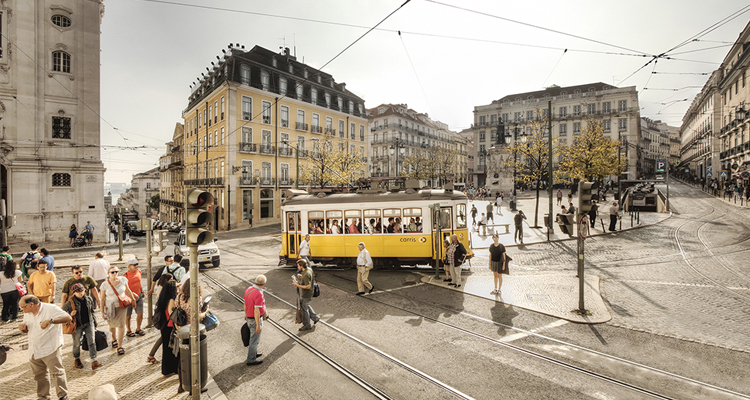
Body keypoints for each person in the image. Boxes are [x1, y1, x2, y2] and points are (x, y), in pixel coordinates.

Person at [17, 294, 72, 400]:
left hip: (50, 347)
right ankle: (43, 397)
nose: (21, 309)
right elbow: (27, 329)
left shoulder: (51, 308)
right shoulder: (27, 313)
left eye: (22, 307)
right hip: (34, 349)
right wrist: (23, 329)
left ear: (31, 304)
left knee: (57, 372)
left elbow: (68, 318)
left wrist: (51, 321)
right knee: (39, 376)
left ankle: (63, 395)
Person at [61, 283, 102, 370]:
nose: (81, 293)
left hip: (89, 323)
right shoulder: (70, 303)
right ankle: (77, 358)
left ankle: (94, 361)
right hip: (77, 326)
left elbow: (92, 312)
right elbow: (61, 313)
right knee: (77, 343)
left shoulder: (89, 299)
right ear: (74, 293)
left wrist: (95, 323)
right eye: (78, 291)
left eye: (82, 290)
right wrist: (70, 314)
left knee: (92, 342)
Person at [101, 266, 137, 355]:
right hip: (109, 308)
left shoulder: (123, 280)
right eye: (112, 272)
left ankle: (120, 346)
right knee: (112, 325)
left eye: (116, 272)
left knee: (121, 325)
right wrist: (102, 312)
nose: (115, 274)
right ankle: (114, 339)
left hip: (121, 306)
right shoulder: (104, 284)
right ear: (108, 274)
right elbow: (102, 299)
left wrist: (133, 300)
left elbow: (128, 291)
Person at [155, 279, 179, 376]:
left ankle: (166, 369)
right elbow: (172, 314)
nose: (178, 288)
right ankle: (171, 369)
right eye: (177, 287)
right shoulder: (172, 300)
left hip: (164, 326)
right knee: (171, 349)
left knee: (166, 348)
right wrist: (177, 327)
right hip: (169, 326)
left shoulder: (163, 298)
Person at [244, 274, 267, 366]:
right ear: (264, 284)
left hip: (249, 318)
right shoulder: (259, 293)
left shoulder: (249, 289)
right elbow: (256, 310)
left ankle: (254, 353)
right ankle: (251, 359)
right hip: (254, 320)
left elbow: (245, 303)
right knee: (254, 340)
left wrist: (245, 314)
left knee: (253, 338)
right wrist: (258, 325)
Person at [293, 259, 319, 331]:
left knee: (305, 310)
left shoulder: (306, 274)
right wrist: (301, 276)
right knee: (306, 305)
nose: (297, 267)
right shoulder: (309, 270)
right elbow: (309, 278)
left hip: (306, 294)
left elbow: (308, 286)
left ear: (301, 266)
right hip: (309, 293)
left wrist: (298, 286)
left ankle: (307, 325)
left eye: (298, 266)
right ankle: (315, 317)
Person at [124, 259, 145, 337]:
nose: (136, 266)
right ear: (129, 266)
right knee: (128, 315)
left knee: (140, 313)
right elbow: (123, 288)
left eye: (137, 264)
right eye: (134, 265)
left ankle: (138, 329)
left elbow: (139, 283)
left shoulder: (139, 272)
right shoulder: (125, 275)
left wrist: (141, 291)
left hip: (138, 296)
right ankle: (129, 330)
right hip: (128, 297)